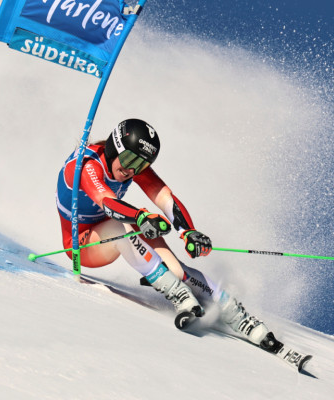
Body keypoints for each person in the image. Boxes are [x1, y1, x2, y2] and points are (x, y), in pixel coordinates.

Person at [56, 118, 282, 353]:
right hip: (82, 244)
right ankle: (178, 294)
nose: (131, 170)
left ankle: (238, 315)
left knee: (175, 270)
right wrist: (141, 217)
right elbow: (108, 202)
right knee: (121, 227)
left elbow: (165, 197)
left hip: (116, 226)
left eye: (140, 165)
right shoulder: (86, 165)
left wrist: (188, 231)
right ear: (114, 148)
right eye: (129, 160)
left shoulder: (128, 165)